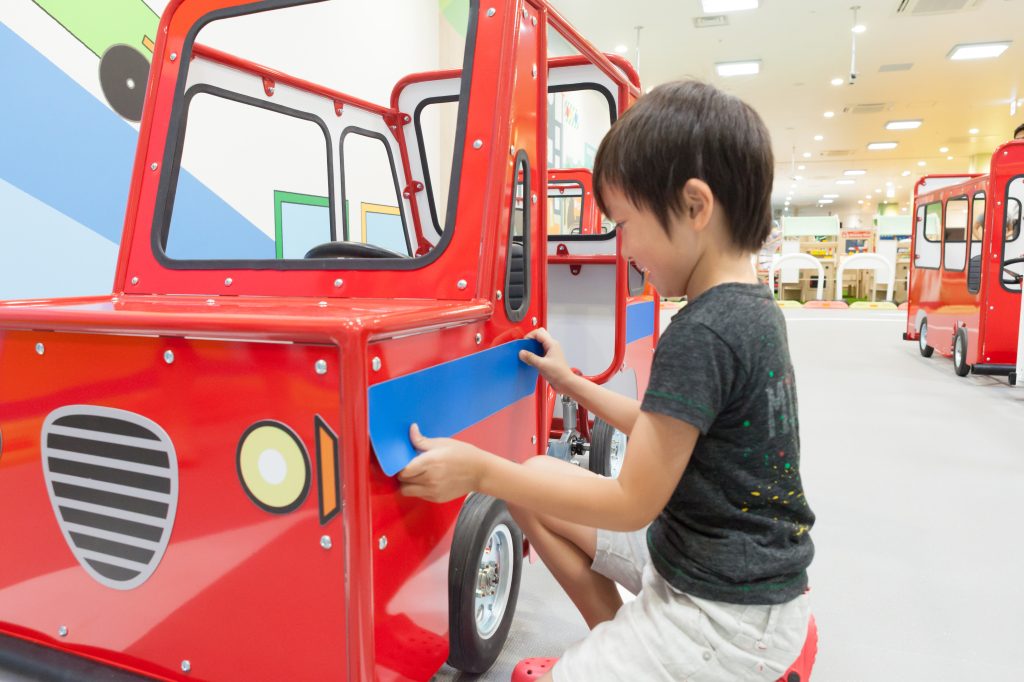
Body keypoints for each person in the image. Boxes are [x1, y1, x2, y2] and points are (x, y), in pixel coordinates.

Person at [398, 80, 815, 681]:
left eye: (625, 223)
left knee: (519, 480)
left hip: (722, 618)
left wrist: (479, 470)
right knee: (536, 479)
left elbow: (629, 503)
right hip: (729, 573)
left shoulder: (702, 331)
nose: (624, 247)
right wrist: (569, 382)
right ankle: (619, 643)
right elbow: (668, 433)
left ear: (696, 207)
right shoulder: (751, 307)